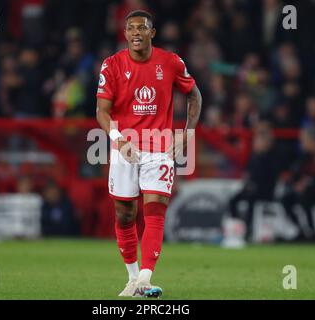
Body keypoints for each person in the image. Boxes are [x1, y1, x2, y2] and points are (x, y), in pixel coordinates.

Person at [96, 10, 201, 298]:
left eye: (142, 28)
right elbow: (101, 111)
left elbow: (194, 95)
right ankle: (132, 278)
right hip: (124, 149)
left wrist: (187, 132)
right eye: (130, 28)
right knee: (124, 214)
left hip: (160, 147)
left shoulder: (171, 62)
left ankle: (145, 277)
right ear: (125, 33)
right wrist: (119, 139)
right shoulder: (112, 65)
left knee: (154, 211)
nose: (135, 33)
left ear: (152, 33)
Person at [228, 127, 279, 241]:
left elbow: (268, 179)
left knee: (251, 200)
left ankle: (248, 229)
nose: (256, 144)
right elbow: (249, 174)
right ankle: (237, 227)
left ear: (266, 143)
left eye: (259, 141)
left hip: (265, 191)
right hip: (252, 189)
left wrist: (253, 184)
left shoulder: (271, 159)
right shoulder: (254, 157)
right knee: (233, 200)